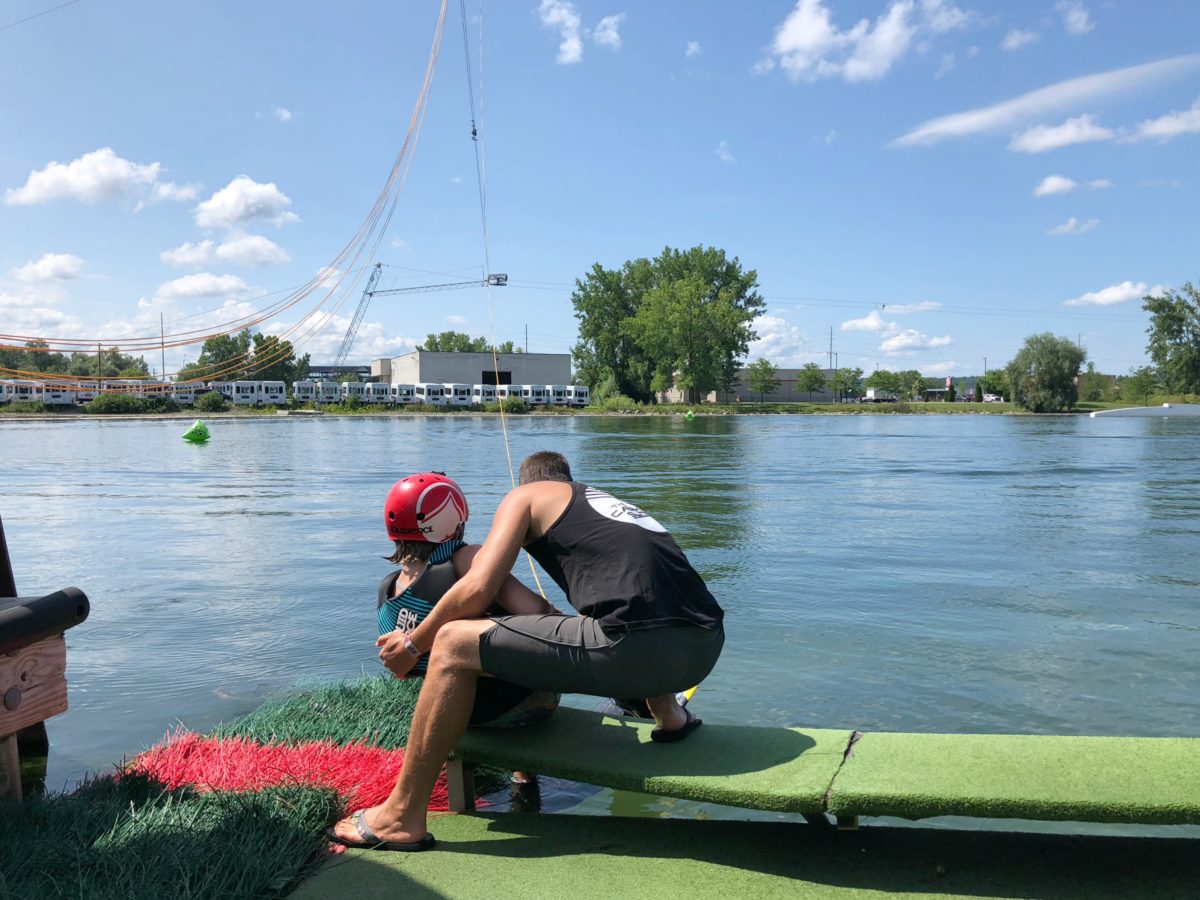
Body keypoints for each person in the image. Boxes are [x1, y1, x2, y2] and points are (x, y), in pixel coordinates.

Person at [329, 452, 724, 851]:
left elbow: (479, 587)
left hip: (637, 651)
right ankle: (670, 715)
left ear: (528, 483)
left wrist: (414, 644)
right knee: (621, 612)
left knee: (452, 642)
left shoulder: (525, 496)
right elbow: (645, 593)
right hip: (703, 647)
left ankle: (401, 816)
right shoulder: (606, 508)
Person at [375, 471, 562, 730]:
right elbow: (538, 612)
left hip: (441, 707)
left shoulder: (388, 587)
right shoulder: (467, 559)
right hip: (511, 706)